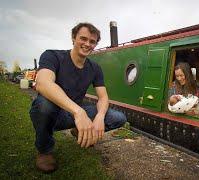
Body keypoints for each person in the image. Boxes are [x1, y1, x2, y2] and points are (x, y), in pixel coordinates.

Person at [29, 22, 127, 173]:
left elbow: (103, 97)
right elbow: (43, 83)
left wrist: (100, 116)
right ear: (73, 38)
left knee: (118, 117)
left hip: (73, 115)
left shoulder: (95, 68)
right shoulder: (52, 56)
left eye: (92, 41)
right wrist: (79, 112)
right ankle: (45, 150)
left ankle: (78, 130)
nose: (87, 44)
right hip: (53, 114)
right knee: (43, 106)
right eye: (83, 38)